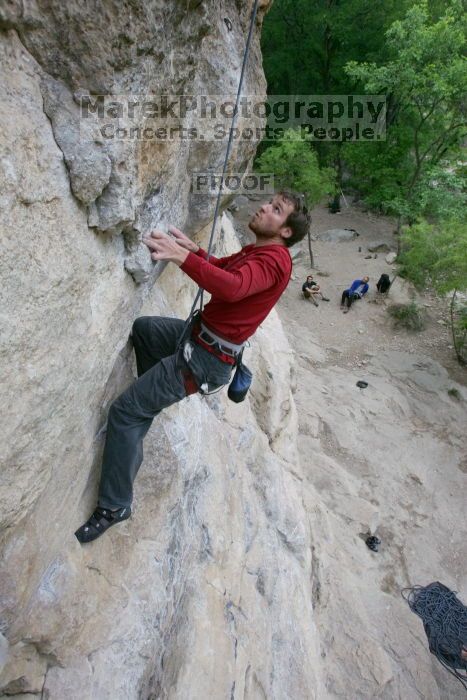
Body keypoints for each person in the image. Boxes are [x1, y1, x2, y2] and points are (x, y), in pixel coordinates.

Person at [75, 191, 310, 543]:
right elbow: (226, 270)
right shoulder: (260, 252)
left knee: (124, 412)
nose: (264, 207)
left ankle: (114, 506)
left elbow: (232, 288)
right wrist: (194, 252)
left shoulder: (274, 260)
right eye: (269, 203)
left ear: (286, 231)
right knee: (146, 330)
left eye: (276, 210)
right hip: (198, 337)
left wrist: (182, 257)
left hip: (204, 358)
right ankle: (149, 403)